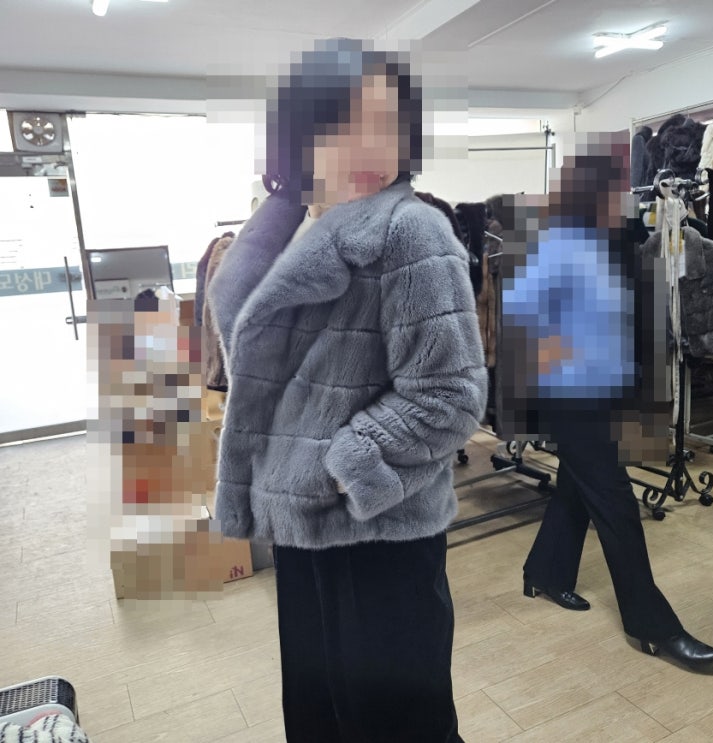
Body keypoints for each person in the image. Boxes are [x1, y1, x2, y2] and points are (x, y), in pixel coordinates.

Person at [208, 39, 487, 742]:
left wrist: (342, 463)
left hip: (377, 524)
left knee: (397, 724)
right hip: (302, 528)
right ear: (300, 134)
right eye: (343, 123)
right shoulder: (300, 230)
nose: (370, 145)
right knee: (319, 712)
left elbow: (450, 396)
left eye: (387, 124)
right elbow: (248, 343)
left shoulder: (412, 231)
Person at [501, 133, 713, 669]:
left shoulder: (615, 242)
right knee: (617, 504)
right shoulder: (549, 247)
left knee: (577, 490)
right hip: (570, 397)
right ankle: (651, 624)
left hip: (606, 391)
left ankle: (544, 572)